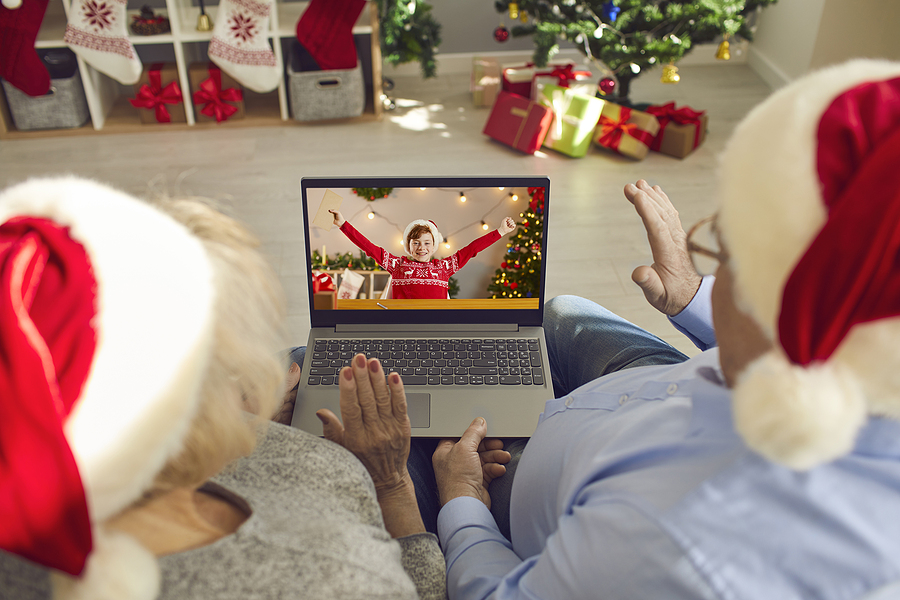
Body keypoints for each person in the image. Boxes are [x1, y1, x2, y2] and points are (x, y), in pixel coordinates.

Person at [425, 59, 900, 599]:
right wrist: (693, 295)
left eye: (728, 248)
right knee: (564, 311)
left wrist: (462, 499)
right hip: (658, 391)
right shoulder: (862, 363)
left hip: (519, 506)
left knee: (380, 425)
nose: (719, 266)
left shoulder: (677, 545)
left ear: (792, 322)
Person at [0, 177, 447, 600]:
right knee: (310, 367)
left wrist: (251, 416)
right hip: (362, 491)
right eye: (228, 368)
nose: (249, 373)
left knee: (298, 360)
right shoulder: (340, 565)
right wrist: (394, 483)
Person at [329, 209, 516, 299]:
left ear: (434, 246)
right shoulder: (398, 265)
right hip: (402, 329)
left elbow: (472, 249)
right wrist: (343, 224)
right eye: (416, 243)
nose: (421, 248)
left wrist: (500, 231)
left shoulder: (444, 267)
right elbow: (368, 247)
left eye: (427, 243)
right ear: (409, 246)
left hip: (437, 330)